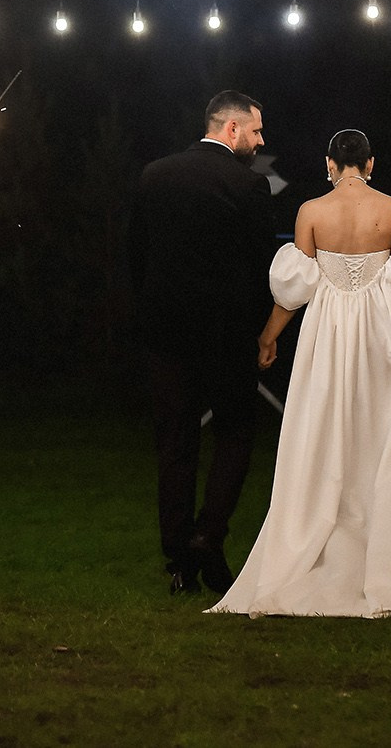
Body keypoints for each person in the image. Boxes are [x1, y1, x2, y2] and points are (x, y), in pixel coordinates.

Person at [209, 129, 391, 617]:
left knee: (322, 428)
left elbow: (297, 287)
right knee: (377, 431)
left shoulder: (311, 212)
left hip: (326, 333)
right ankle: (384, 555)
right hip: (380, 332)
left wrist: (269, 336)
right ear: (370, 164)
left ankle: (320, 540)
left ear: (331, 163)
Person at [126, 91, 277, 595]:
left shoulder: (154, 176)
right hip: (227, 336)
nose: (260, 141)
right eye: (255, 131)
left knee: (175, 445)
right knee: (235, 434)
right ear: (231, 129)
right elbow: (262, 268)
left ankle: (178, 562)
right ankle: (209, 535)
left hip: (165, 336)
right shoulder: (250, 185)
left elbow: (136, 257)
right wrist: (263, 330)